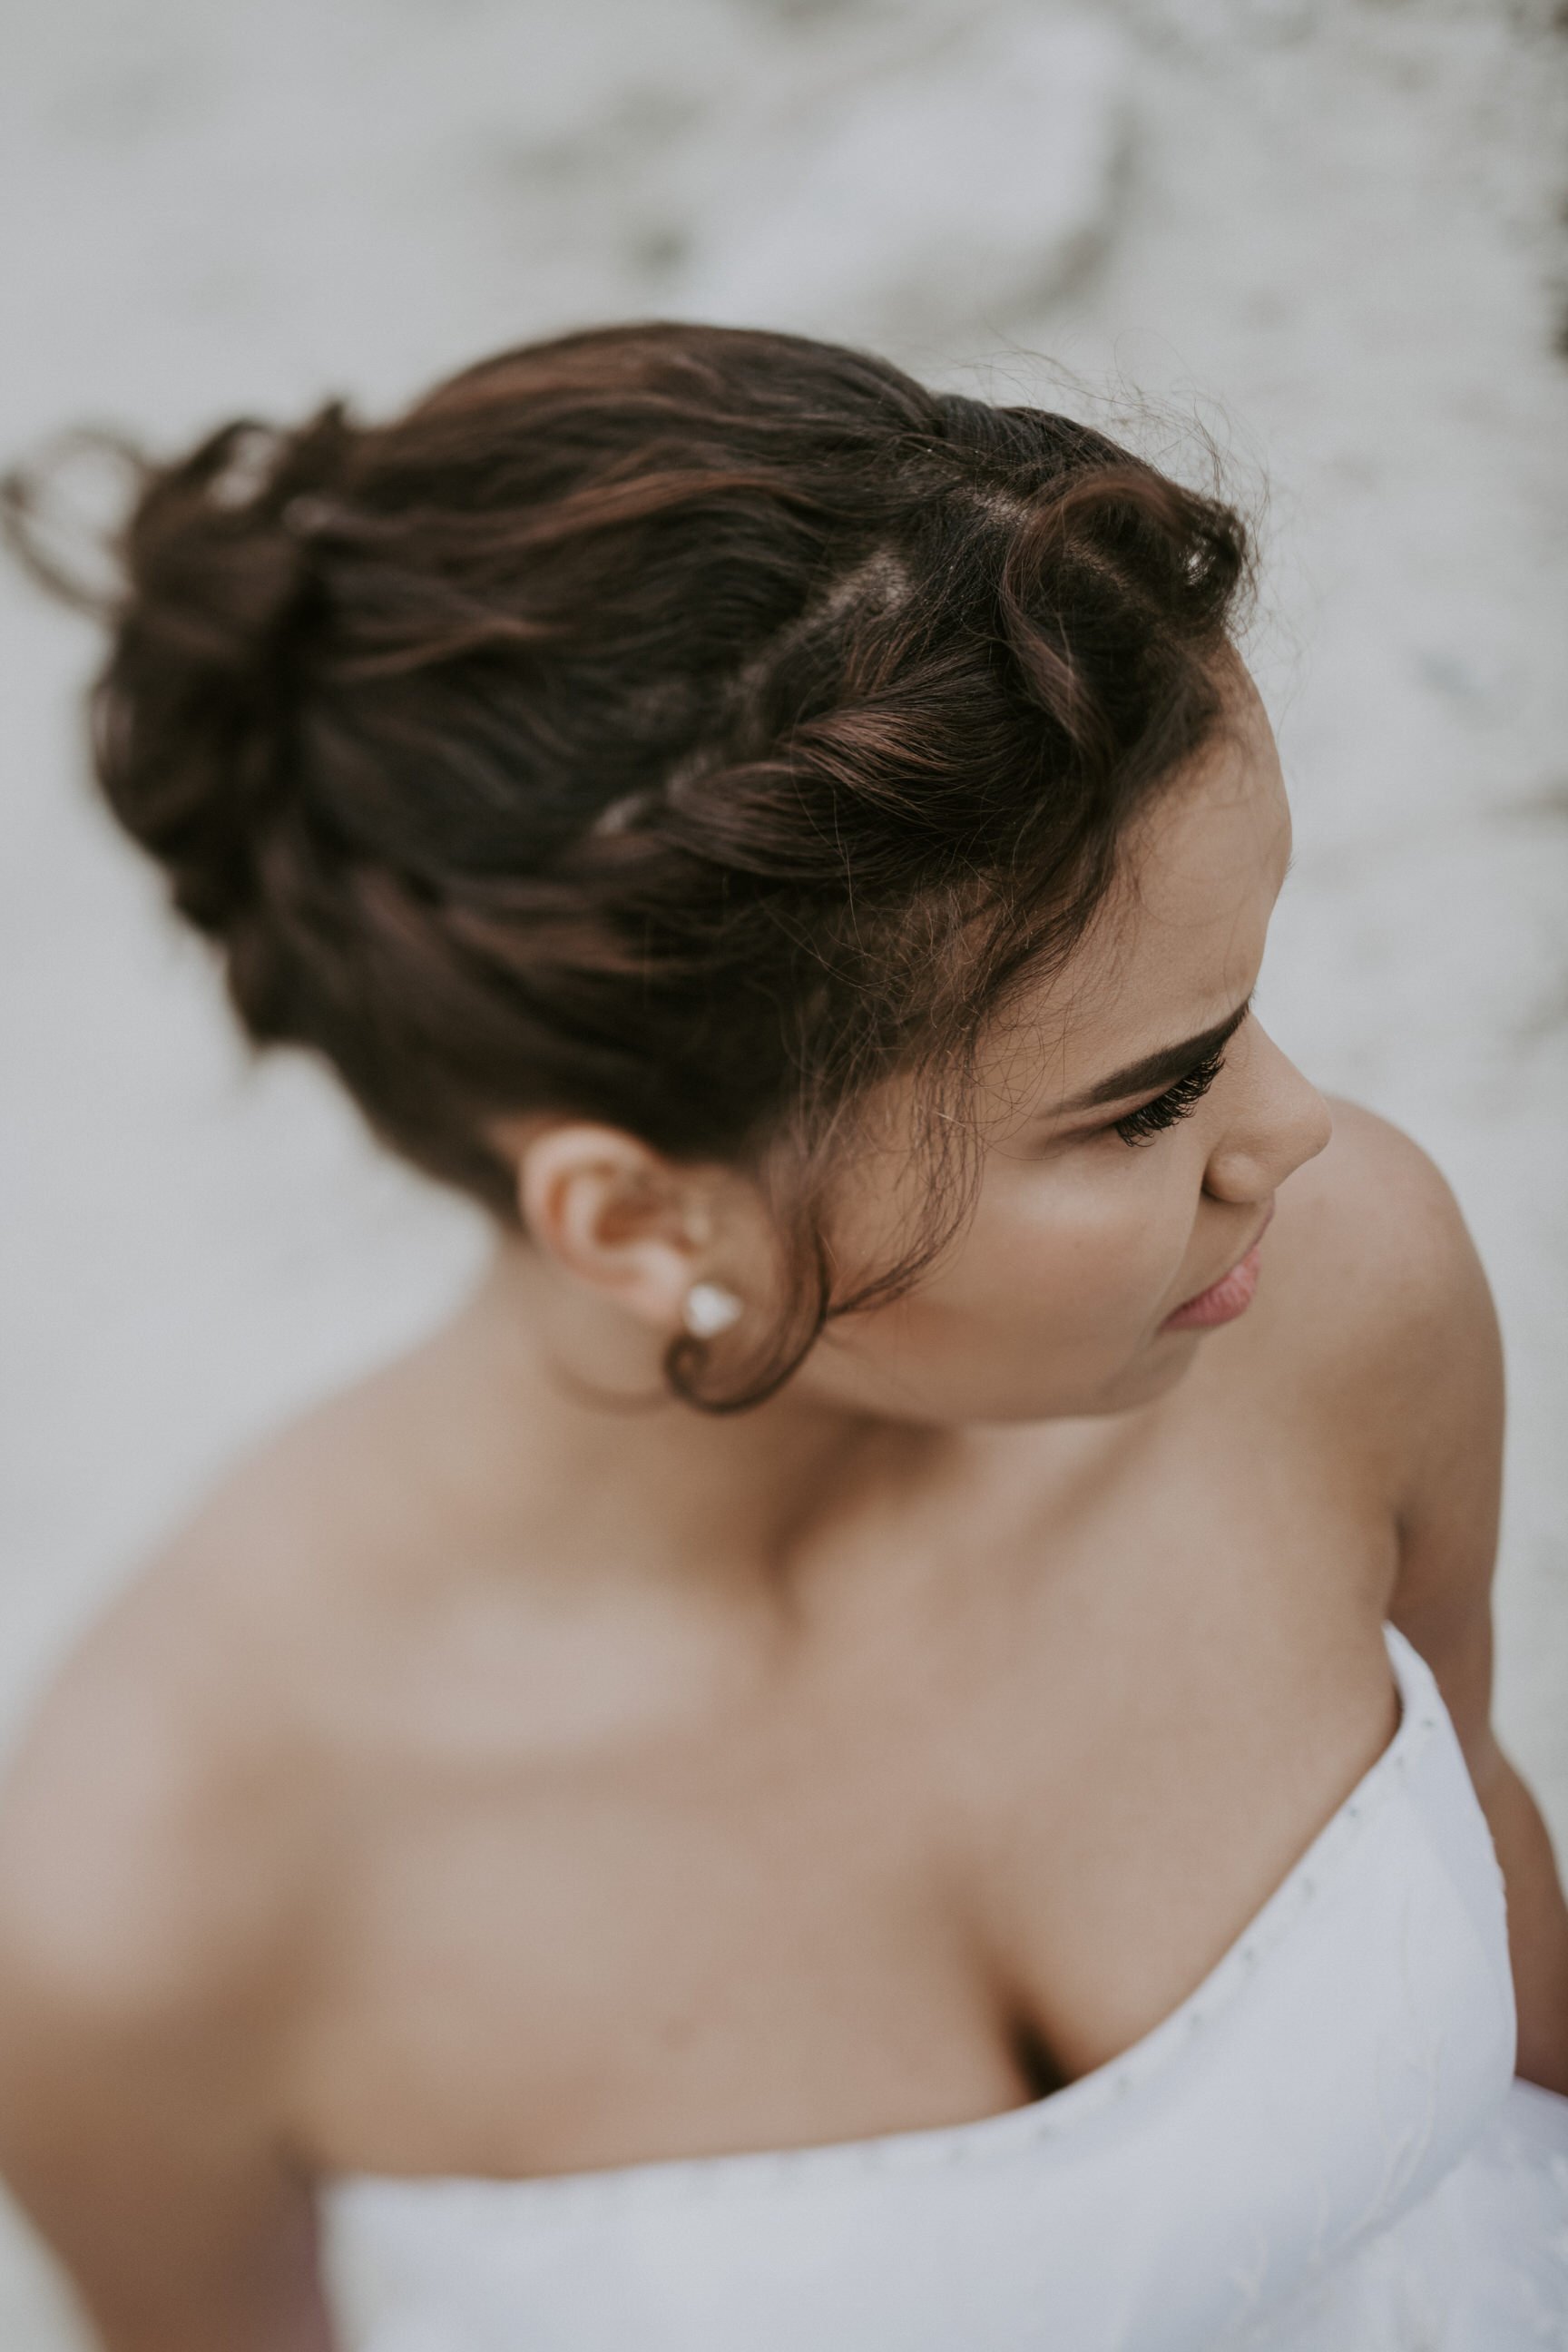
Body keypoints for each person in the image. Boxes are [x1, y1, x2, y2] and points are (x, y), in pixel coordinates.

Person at [0, 322, 1563, 2352]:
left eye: (1246, 1004)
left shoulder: (1334, 1298)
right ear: (643, 1222)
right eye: (1146, 1100)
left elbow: (1514, 1960)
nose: (1294, 1135)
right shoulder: (160, 1904)